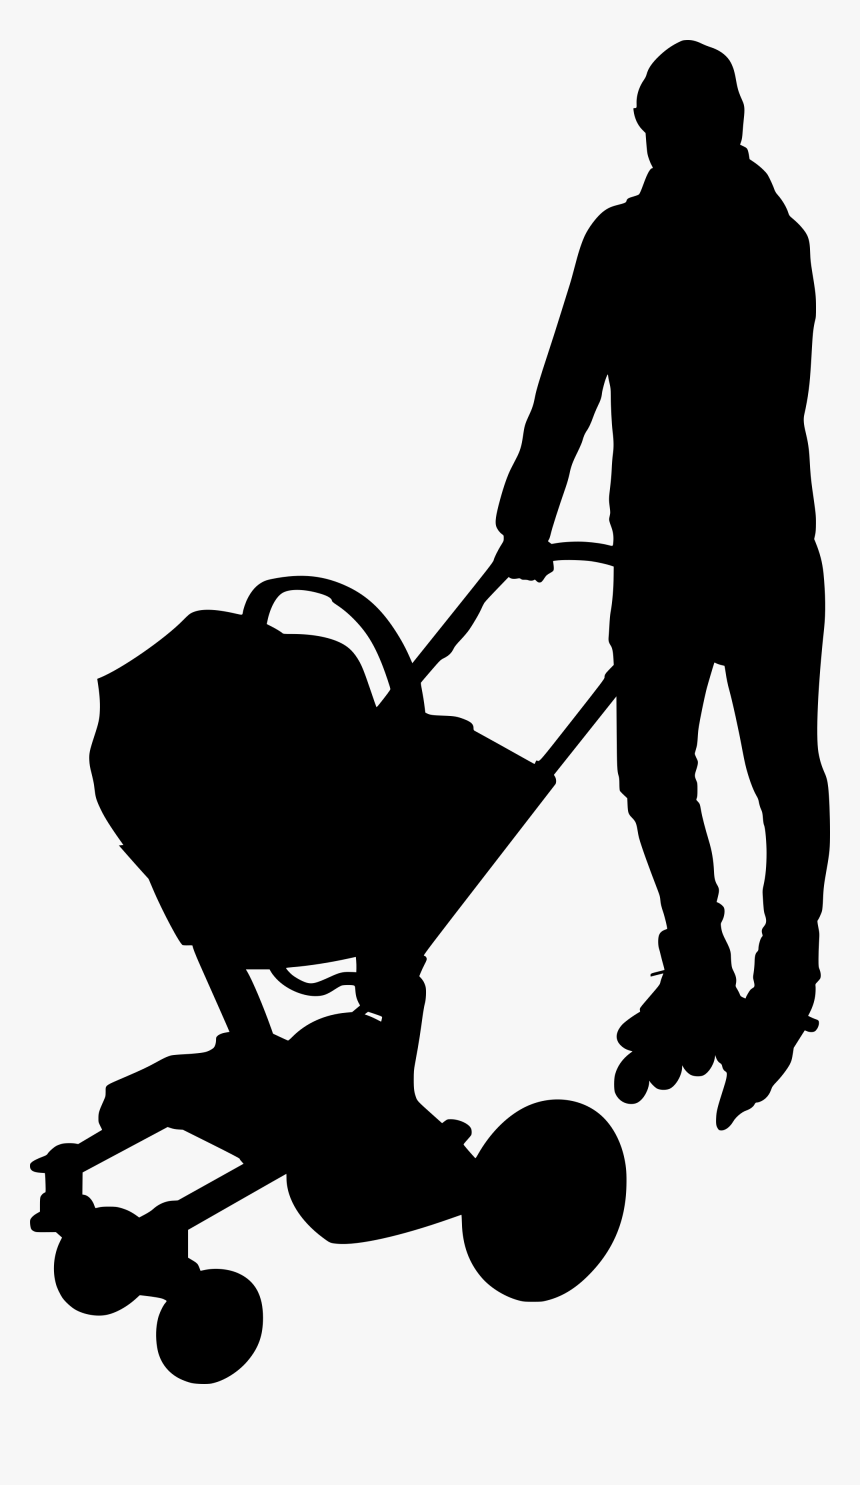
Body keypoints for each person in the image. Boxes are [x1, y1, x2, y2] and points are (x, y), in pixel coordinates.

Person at [496, 41, 829, 1128]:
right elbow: (568, 386)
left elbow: (750, 399)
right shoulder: (641, 241)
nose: (663, 140)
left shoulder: (756, 243)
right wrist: (524, 513)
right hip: (682, 560)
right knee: (656, 770)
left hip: (744, 558)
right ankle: (702, 961)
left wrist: (533, 516)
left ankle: (779, 977)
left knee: (772, 772)